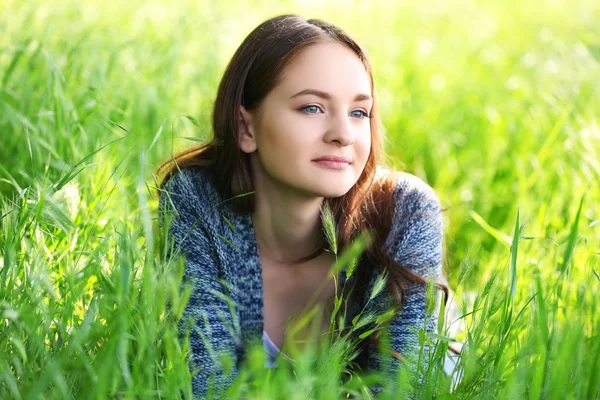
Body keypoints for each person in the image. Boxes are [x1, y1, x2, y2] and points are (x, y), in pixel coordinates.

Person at [156, 14, 447, 398]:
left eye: (359, 112)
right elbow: (202, 385)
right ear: (246, 128)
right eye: (312, 108)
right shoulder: (198, 202)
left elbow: (400, 390)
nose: (343, 134)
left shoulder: (404, 213)